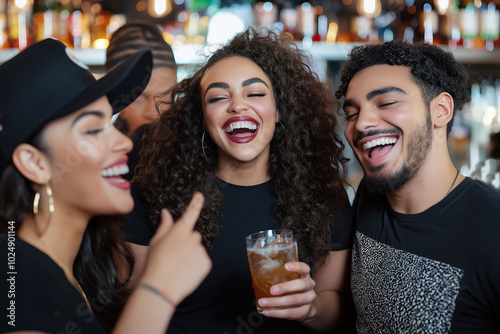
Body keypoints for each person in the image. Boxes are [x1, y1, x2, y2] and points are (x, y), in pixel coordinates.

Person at [124, 28, 355, 333]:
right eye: (219, 97)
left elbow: (335, 304)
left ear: (279, 111)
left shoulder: (323, 195)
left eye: (255, 93)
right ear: (202, 118)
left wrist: (311, 309)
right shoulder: (155, 190)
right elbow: (131, 305)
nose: (237, 105)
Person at [0, 38, 211, 333]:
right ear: (35, 163)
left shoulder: (80, 268)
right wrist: (158, 289)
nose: (124, 142)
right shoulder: (12, 279)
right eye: (93, 129)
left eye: (110, 123)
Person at [335, 40, 500, 333]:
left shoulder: (492, 224)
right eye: (351, 113)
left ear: (441, 110)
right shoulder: (368, 198)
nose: (361, 124)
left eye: (386, 103)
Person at [105, 22, 178, 180]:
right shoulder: (96, 160)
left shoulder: (194, 154)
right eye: (138, 98)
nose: (153, 113)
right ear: (112, 92)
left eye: (165, 96)